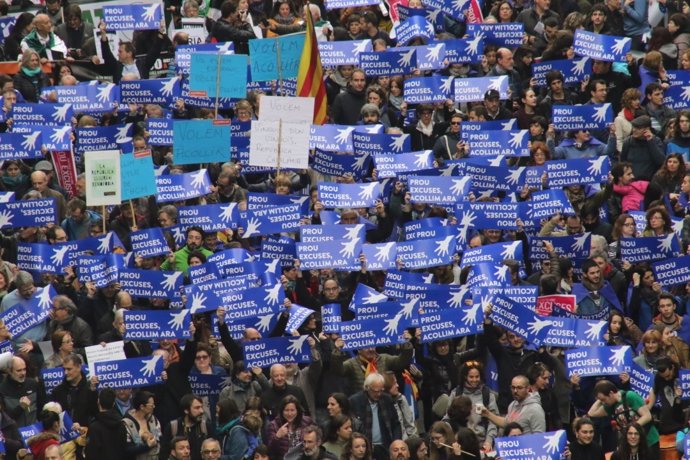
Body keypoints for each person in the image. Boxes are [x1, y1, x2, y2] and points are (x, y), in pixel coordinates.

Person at [587, 380, 659, 456]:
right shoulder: (610, 406)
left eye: (604, 399)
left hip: (648, 440)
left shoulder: (630, 396)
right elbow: (591, 413)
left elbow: (647, 416)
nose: (603, 402)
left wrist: (631, 429)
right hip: (631, 444)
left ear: (611, 393)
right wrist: (600, 399)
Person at [348, 373, 402, 460]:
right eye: (376, 391)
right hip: (365, 448)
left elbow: (396, 423)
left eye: (381, 390)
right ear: (367, 388)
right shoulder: (354, 401)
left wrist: (396, 441)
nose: (379, 394)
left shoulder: (387, 399)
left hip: (386, 446)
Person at [160, 394, 212, 460]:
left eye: (201, 407)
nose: (201, 411)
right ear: (186, 410)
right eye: (197, 408)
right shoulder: (173, 427)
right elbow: (164, 454)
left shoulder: (205, 427)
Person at [84, 388, 124, 460]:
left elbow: (91, 453)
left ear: (98, 401)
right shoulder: (122, 424)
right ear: (113, 403)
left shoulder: (94, 427)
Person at [122, 390, 163, 460]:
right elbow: (127, 449)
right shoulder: (126, 424)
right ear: (142, 407)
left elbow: (159, 438)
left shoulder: (153, 420)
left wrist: (154, 439)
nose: (154, 406)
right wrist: (147, 446)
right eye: (151, 405)